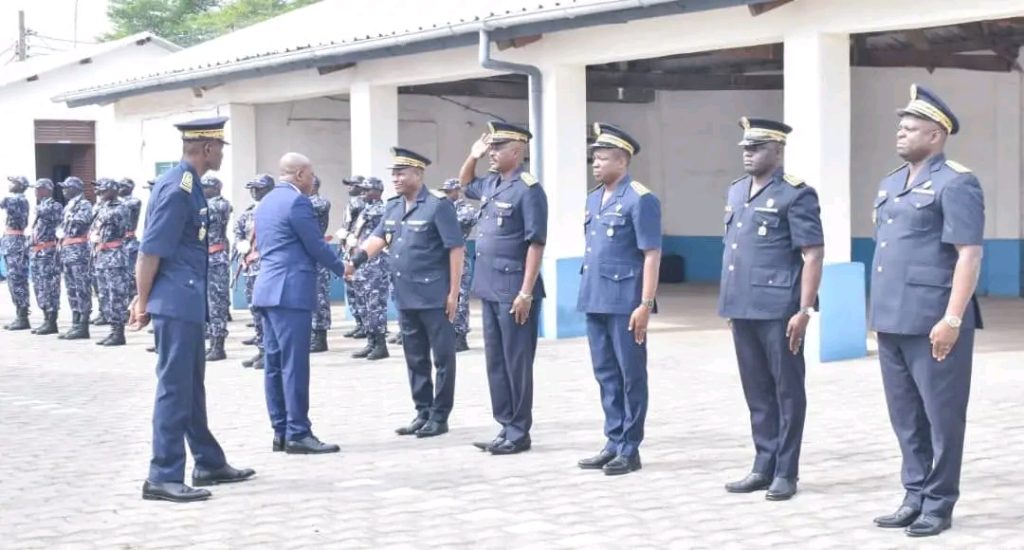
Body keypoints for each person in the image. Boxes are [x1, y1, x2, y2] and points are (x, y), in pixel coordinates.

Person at [869, 85, 985, 538]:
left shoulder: (957, 183)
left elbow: (968, 254)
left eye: (911, 128)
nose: (900, 133)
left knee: (942, 418)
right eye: (900, 127)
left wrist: (952, 319)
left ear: (936, 135)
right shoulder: (890, 183)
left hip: (934, 321)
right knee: (906, 417)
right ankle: (914, 494)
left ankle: (939, 503)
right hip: (891, 319)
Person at [130, 116, 254, 503]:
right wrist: (142, 300)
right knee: (174, 387)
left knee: (190, 386)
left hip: (185, 299)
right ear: (207, 148)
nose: (222, 154)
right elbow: (150, 250)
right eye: (220, 148)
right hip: (175, 301)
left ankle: (208, 462)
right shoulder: (178, 188)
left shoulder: (191, 184)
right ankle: (162, 475)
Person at [719, 118, 825, 501]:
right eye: (745, 148)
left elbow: (813, 253)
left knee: (787, 391)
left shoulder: (796, 194)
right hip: (743, 307)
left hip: (779, 309)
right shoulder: (736, 191)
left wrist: (804, 309)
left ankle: (785, 471)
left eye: (757, 147)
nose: (748, 154)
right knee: (757, 391)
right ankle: (763, 464)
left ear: (777, 151)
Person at [346, 148, 464, 438]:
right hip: (405, 294)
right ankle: (422, 411)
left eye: (401, 173)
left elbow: (456, 249)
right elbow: (378, 238)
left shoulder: (437, 205)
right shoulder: (393, 206)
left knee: (443, 359)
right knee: (415, 357)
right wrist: (354, 262)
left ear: (418, 174)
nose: (396, 179)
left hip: (434, 296)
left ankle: (440, 416)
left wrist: (454, 293)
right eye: (394, 174)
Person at [576, 123, 661, 476]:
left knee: (630, 376)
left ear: (622, 161)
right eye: (594, 158)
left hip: (626, 302)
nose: (596, 164)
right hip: (595, 297)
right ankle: (612, 441)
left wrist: (645, 304)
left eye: (603, 158)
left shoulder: (640, 199)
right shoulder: (593, 198)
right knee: (606, 375)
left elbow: (651, 254)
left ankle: (630, 447)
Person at [459, 122, 548, 455]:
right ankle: (505, 425)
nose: (492, 153)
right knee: (496, 362)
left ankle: (519, 432)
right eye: (491, 147)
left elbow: (536, 243)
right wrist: (473, 156)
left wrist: (526, 292)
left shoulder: (528, 189)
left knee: (517, 363)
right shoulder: (492, 183)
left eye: (498, 148)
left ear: (517, 150)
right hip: (489, 286)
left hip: (514, 290)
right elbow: (465, 184)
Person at [252, 153, 348, 454]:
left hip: (267, 290)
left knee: (274, 364)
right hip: (290, 292)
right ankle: (298, 433)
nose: (312, 179)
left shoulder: (266, 201)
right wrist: (343, 268)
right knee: (294, 365)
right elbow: (315, 244)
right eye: (311, 174)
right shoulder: (298, 202)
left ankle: (280, 431)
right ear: (300, 174)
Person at [235, 174, 275, 369]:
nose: (254, 192)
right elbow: (239, 231)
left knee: (268, 312)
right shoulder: (248, 212)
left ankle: (271, 352)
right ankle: (261, 349)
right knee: (255, 310)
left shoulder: (276, 211)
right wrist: (240, 244)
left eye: (258, 188)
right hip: (250, 267)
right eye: (252, 188)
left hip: (267, 267)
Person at [349, 176, 390, 360]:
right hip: (362, 264)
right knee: (363, 304)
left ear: (378, 191)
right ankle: (371, 342)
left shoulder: (380, 210)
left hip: (376, 264)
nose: (363, 193)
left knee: (375, 305)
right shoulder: (365, 209)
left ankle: (380, 345)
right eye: (362, 189)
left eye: (367, 190)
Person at [90, 178, 132, 346]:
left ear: (113, 190)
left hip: (115, 256)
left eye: (103, 189)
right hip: (101, 255)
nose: (99, 192)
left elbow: (115, 226)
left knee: (116, 295)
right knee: (105, 294)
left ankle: (118, 333)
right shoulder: (103, 207)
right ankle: (112, 330)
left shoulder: (120, 207)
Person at [440, 178, 478, 353]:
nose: (447, 195)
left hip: (460, 257)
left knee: (460, 298)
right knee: (445, 296)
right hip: (442, 259)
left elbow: (458, 223)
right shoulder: (443, 208)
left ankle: (460, 336)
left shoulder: (466, 210)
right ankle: (448, 333)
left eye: (450, 191)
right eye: (445, 192)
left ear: (458, 191)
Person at [56, 176, 94, 340]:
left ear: (76, 189)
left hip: (79, 251)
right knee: (71, 288)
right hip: (67, 250)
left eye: (67, 187)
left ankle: (83, 326)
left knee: (81, 288)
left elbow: (82, 221)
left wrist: (67, 219)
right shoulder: (69, 206)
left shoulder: (84, 205)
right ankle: (75, 323)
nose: (64, 190)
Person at [202, 175, 233, 361]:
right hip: (205, 258)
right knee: (208, 304)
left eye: (206, 187)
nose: (203, 190)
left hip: (216, 258)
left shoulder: (220, 204)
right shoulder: (203, 205)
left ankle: (218, 346)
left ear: (215, 188)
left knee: (217, 304)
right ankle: (212, 342)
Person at [28, 178, 63, 335]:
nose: (35, 191)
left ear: (47, 190)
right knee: (39, 287)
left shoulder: (54, 206)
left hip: (48, 253)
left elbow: (48, 213)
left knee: (49, 287)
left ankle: (51, 321)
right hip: (37, 252)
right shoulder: (40, 206)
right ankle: (45, 319)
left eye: (38, 188)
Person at [1, 175, 31, 330]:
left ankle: (23, 317)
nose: (10, 184)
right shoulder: (16, 200)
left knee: (17, 280)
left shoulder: (17, 200)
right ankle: (20, 315)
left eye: (13, 182)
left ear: (20, 185)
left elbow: (3, 202)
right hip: (10, 241)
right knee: (13, 280)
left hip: (15, 243)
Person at [339, 176, 367, 338]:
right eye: (348, 185)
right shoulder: (353, 202)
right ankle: (360, 323)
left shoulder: (358, 203)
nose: (349, 187)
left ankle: (364, 324)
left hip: (356, 246)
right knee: (352, 288)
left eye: (353, 185)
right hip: (350, 246)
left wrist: (345, 241)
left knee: (357, 287)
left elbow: (351, 226)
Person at [308, 175, 333, 353]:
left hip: (317, 253)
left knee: (319, 296)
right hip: (305, 254)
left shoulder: (320, 202)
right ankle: (311, 334)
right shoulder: (302, 202)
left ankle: (320, 337)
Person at [119, 178, 143, 301]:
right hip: (118, 243)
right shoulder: (116, 202)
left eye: (122, 186)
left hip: (129, 241)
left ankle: (132, 302)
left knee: (130, 275)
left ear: (129, 188)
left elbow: (124, 206)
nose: (119, 189)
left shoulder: (134, 202)